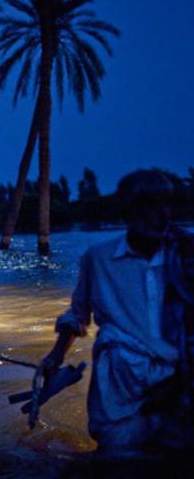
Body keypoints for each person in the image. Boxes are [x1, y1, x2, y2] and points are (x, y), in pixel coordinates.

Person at [40, 169, 194, 457]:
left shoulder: (187, 256)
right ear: (129, 213)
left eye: (166, 205)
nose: (163, 215)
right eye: (151, 206)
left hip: (179, 380)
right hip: (120, 380)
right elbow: (78, 314)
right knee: (118, 455)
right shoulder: (98, 259)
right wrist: (54, 357)